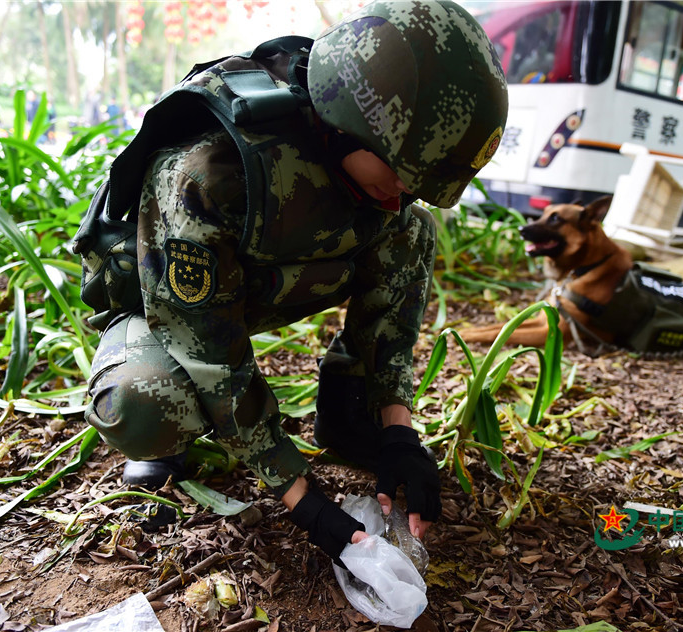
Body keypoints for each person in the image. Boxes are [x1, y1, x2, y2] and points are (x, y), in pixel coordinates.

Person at [81, 0, 507, 566]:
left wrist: (397, 430)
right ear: (353, 126)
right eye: (403, 179)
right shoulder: (209, 174)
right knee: (141, 405)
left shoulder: (380, 175)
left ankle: (350, 409)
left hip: (266, 280)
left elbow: (392, 315)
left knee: (411, 232)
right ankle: (166, 445)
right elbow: (210, 353)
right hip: (164, 309)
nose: (405, 196)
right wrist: (302, 498)